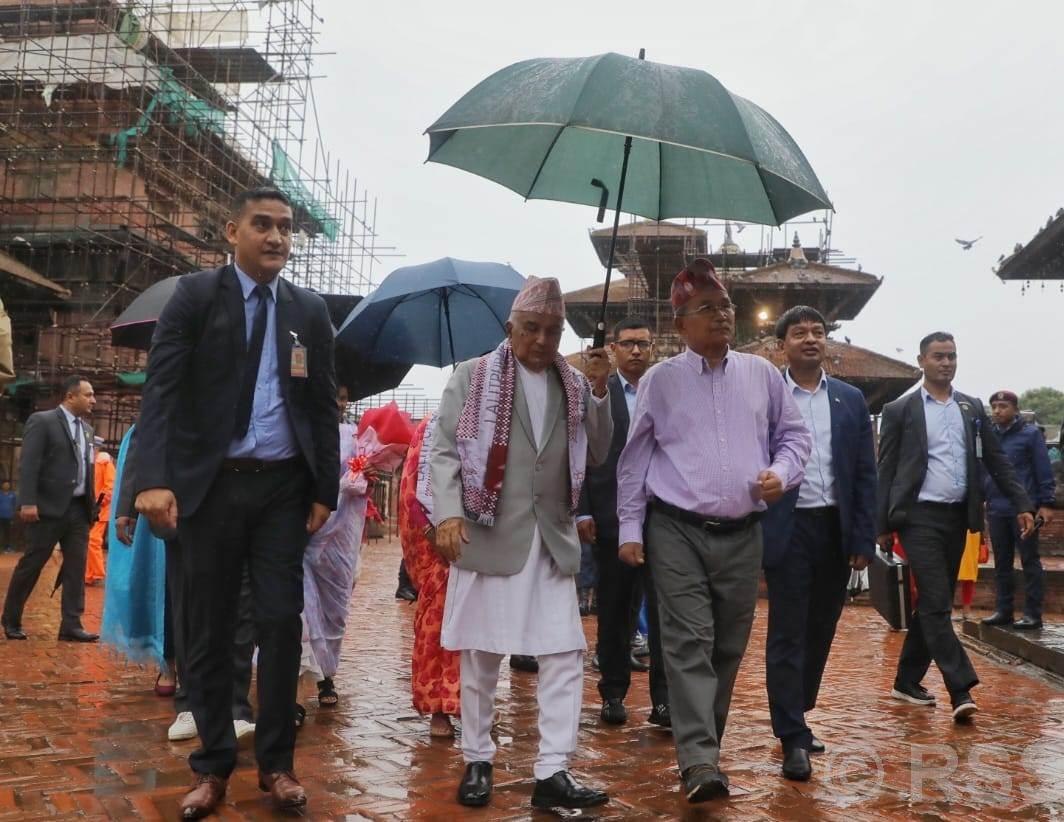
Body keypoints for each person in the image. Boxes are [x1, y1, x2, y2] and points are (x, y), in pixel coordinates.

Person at [134, 187, 339, 818]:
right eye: (263, 225)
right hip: (211, 485)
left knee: (280, 622)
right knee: (211, 627)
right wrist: (151, 478)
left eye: (285, 228)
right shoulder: (195, 297)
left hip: (282, 488)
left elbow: (322, 404)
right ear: (232, 231)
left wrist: (324, 490)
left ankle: (277, 765)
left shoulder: (309, 310)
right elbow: (162, 390)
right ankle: (213, 766)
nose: (276, 237)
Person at [616, 259, 811, 804]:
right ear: (681, 324)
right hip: (675, 529)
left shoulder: (763, 375)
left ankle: (705, 746)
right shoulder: (660, 381)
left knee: (727, 646)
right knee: (687, 644)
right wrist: (630, 527)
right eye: (707, 308)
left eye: (726, 306)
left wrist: (782, 473)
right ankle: (699, 760)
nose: (722, 316)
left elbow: (794, 439)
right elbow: (634, 462)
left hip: (745, 532)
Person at [430, 275, 613, 811]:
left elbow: (598, 452)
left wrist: (601, 389)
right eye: (531, 329)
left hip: (552, 539)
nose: (541, 340)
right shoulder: (474, 376)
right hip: (489, 534)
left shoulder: (576, 384)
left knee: (564, 654)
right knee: (482, 655)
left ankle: (553, 771)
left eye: (553, 331)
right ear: (510, 327)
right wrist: (446, 514)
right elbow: (443, 450)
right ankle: (478, 759)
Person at [877, 332, 1034, 723]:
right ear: (921, 361)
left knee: (932, 602)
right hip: (917, 518)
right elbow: (886, 471)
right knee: (935, 601)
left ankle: (906, 681)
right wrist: (880, 524)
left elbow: (996, 461)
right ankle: (959, 687)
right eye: (938, 356)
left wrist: (1022, 504)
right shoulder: (901, 409)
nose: (946, 363)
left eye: (951, 356)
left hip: (957, 518)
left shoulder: (972, 408)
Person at [760, 305, 876, 782]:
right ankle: (791, 734)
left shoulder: (849, 399)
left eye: (818, 331)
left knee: (821, 628)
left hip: (835, 528)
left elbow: (865, 473)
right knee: (788, 629)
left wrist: (863, 536)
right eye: (799, 332)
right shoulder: (768, 399)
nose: (810, 338)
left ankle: (799, 711)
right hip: (788, 526)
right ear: (781, 345)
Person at [576, 317, 669, 729]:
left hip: (664, 517)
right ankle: (613, 692)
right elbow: (576, 452)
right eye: (628, 343)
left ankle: (663, 701)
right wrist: (583, 509)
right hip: (611, 516)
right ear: (613, 349)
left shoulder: (667, 392)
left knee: (667, 615)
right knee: (614, 610)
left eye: (643, 344)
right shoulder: (594, 393)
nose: (636, 351)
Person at [301, 399, 412, 706]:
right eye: (334, 392)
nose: (338, 400)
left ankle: (327, 675)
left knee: (335, 610)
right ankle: (293, 690)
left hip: (343, 540)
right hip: (307, 534)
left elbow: (362, 486)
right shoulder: (303, 432)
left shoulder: (356, 436)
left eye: (344, 394)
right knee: (302, 611)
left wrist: (364, 474)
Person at [2, 375, 98, 642]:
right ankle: (11, 619)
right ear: (70, 396)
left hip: (79, 509)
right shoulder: (43, 421)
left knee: (76, 568)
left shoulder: (88, 430)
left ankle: (71, 624)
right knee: (32, 564)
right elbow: (29, 465)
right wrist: (28, 502)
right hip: (46, 509)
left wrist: (91, 506)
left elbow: (86, 470)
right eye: (88, 395)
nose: (93, 400)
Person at [399, 411, 462, 738]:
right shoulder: (433, 425)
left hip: (481, 536)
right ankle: (439, 706)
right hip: (435, 537)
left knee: (479, 624)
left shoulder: (496, 422)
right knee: (437, 622)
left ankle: (473, 702)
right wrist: (432, 531)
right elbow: (413, 488)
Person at [980, 390, 1055, 630]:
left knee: (1029, 561)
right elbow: (984, 468)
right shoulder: (989, 435)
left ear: (1015, 409)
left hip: (1024, 509)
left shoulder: (1030, 435)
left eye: (1002, 406)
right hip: (996, 508)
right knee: (1001, 563)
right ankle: (1004, 610)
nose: (997, 411)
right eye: (994, 407)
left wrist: (1045, 503)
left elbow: (1043, 470)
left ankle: (1033, 613)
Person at [84, 437, 115, 586]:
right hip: (89, 509)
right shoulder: (90, 462)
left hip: (99, 510)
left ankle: (96, 574)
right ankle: (89, 575)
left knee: (93, 540)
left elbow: (110, 487)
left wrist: (98, 503)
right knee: (88, 541)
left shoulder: (104, 462)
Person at [956, 531, 982, 622]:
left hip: (971, 531)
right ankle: (946, 611)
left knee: (969, 572)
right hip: (951, 527)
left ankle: (966, 611)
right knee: (948, 571)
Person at [0, 479, 16, 552]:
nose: (6, 486)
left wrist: (13, 514)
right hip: (0, 516)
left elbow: (14, 505)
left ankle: (7, 547)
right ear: (2, 485)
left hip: (9, 517)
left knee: (8, 532)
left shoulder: (12, 494)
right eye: (5, 484)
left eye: (8, 484)